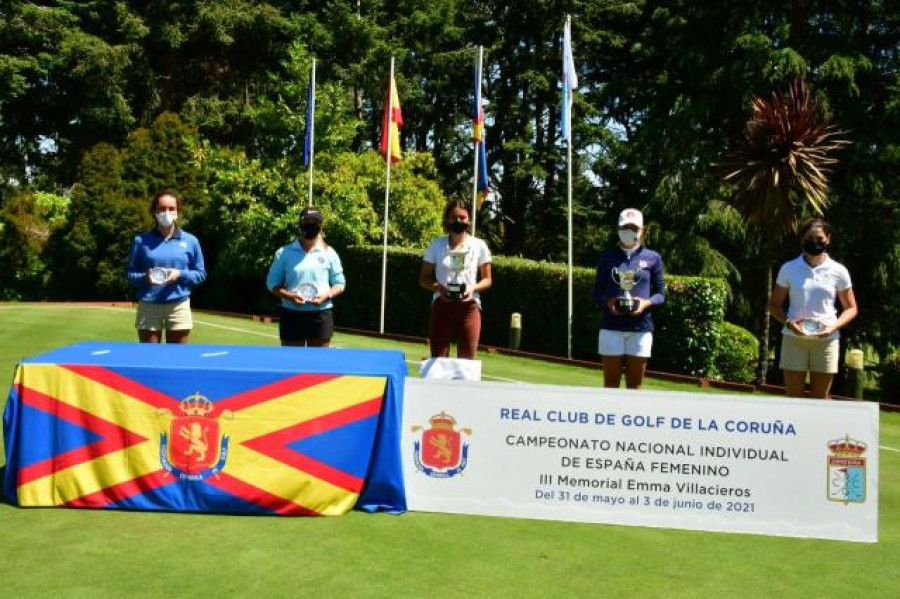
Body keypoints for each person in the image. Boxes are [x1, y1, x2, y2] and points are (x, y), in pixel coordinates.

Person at [769, 218, 857, 399]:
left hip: (827, 340)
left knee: (820, 401)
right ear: (801, 239)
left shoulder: (839, 270)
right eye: (809, 238)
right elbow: (774, 305)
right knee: (793, 398)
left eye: (819, 238)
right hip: (794, 338)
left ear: (828, 238)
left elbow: (851, 308)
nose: (815, 243)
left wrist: (833, 327)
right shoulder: (789, 268)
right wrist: (788, 322)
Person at [591, 208, 665, 389]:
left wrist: (646, 303)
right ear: (618, 228)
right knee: (610, 386)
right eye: (625, 227)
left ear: (643, 230)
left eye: (634, 228)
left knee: (635, 387)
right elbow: (596, 292)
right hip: (611, 327)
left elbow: (660, 294)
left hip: (641, 328)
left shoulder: (653, 258)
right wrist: (608, 302)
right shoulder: (607, 257)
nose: (629, 232)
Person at [126, 191, 207, 343]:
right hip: (149, 305)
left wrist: (180, 274)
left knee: (177, 359)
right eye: (161, 209)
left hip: (179, 304)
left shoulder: (191, 241)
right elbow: (130, 274)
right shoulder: (140, 241)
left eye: (171, 208)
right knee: (148, 357)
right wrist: (145, 278)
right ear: (154, 211)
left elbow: (201, 274)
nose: (166, 213)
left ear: (177, 211)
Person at [418, 199, 492, 360]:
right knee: (438, 360)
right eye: (453, 217)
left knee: (466, 362)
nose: (458, 221)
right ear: (446, 219)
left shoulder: (479, 246)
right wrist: (439, 288)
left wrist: (472, 289)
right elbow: (424, 278)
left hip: (469, 309)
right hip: (442, 307)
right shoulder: (436, 245)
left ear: (469, 220)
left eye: (462, 217)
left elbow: (487, 280)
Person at [266, 207, 345, 347]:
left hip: (321, 315)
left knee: (319, 364)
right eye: (307, 221)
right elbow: (272, 283)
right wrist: (290, 296)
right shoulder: (284, 253)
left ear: (321, 226)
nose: (310, 225)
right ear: (299, 224)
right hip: (291, 314)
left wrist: (326, 296)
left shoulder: (330, 253)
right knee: (292, 363)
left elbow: (339, 283)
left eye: (314, 222)